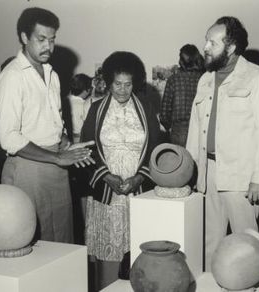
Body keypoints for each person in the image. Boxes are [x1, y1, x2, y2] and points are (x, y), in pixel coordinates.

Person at [0, 7, 94, 243]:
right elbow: (9, 138)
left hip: (55, 169)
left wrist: (67, 145)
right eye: (41, 39)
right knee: (32, 241)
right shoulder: (13, 76)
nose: (48, 47)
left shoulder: (52, 74)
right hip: (27, 169)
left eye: (52, 40)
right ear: (23, 37)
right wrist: (56, 157)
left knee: (61, 239)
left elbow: (53, 123)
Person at [185, 16, 259, 271]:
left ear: (231, 47)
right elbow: (196, 128)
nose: (204, 47)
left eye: (212, 43)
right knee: (209, 240)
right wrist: (190, 170)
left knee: (247, 243)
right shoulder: (205, 79)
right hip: (208, 172)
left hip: (242, 176)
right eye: (206, 40)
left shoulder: (258, 78)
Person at [80, 51, 161, 290]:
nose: (123, 90)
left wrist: (139, 177)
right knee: (109, 254)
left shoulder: (145, 108)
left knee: (141, 252)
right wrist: (106, 175)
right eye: (118, 84)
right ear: (108, 82)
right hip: (107, 193)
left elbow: (155, 147)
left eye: (128, 84)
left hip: (139, 190)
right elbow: (87, 149)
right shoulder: (95, 110)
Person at [160, 44, 204, 147]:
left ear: (181, 60)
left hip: (179, 131)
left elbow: (164, 113)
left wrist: (169, 127)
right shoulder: (204, 79)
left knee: (181, 162)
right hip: (200, 129)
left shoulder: (173, 79)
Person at [68, 73, 92, 143]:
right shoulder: (84, 105)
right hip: (78, 138)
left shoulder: (65, 101)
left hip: (65, 138)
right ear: (86, 90)